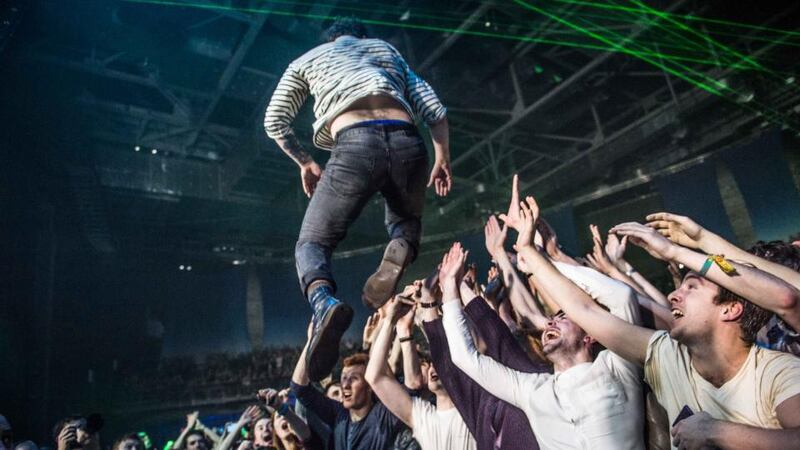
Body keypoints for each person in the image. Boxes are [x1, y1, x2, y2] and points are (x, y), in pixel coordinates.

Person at [509, 199, 800, 448]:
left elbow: (787, 297)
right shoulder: (666, 356)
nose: (674, 295)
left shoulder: (776, 371)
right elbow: (586, 311)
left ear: (730, 309)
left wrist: (717, 431)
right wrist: (530, 252)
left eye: (692, 289)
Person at [264, 16, 452, 381]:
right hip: (408, 142)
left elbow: (275, 121)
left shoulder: (308, 59)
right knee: (405, 221)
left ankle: (324, 303)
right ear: (362, 37)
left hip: (354, 143)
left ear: (330, 39)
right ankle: (400, 244)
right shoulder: (386, 51)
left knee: (312, 243)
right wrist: (442, 158)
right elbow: (435, 109)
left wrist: (305, 162)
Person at [440, 235, 646, 449]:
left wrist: (539, 263)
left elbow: (622, 297)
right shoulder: (532, 390)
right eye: (551, 321)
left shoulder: (617, 365)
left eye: (563, 318)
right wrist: (449, 289)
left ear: (589, 335)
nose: (550, 324)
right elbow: (465, 358)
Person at [365, 294, 475, 450]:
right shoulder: (423, 417)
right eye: (431, 364)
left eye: (438, 364)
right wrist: (391, 321)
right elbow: (374, 376)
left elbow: (474, 348)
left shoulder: (476, 407)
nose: (432, 368)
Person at [290, 323, 406, 450]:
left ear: (370, 386)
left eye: (353, 379)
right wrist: (311, 341)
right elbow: (300, 389)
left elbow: (402, 376)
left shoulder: (385, 415)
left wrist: (393, 323)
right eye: (344, 378)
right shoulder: (339, 414)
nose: (345, 385)